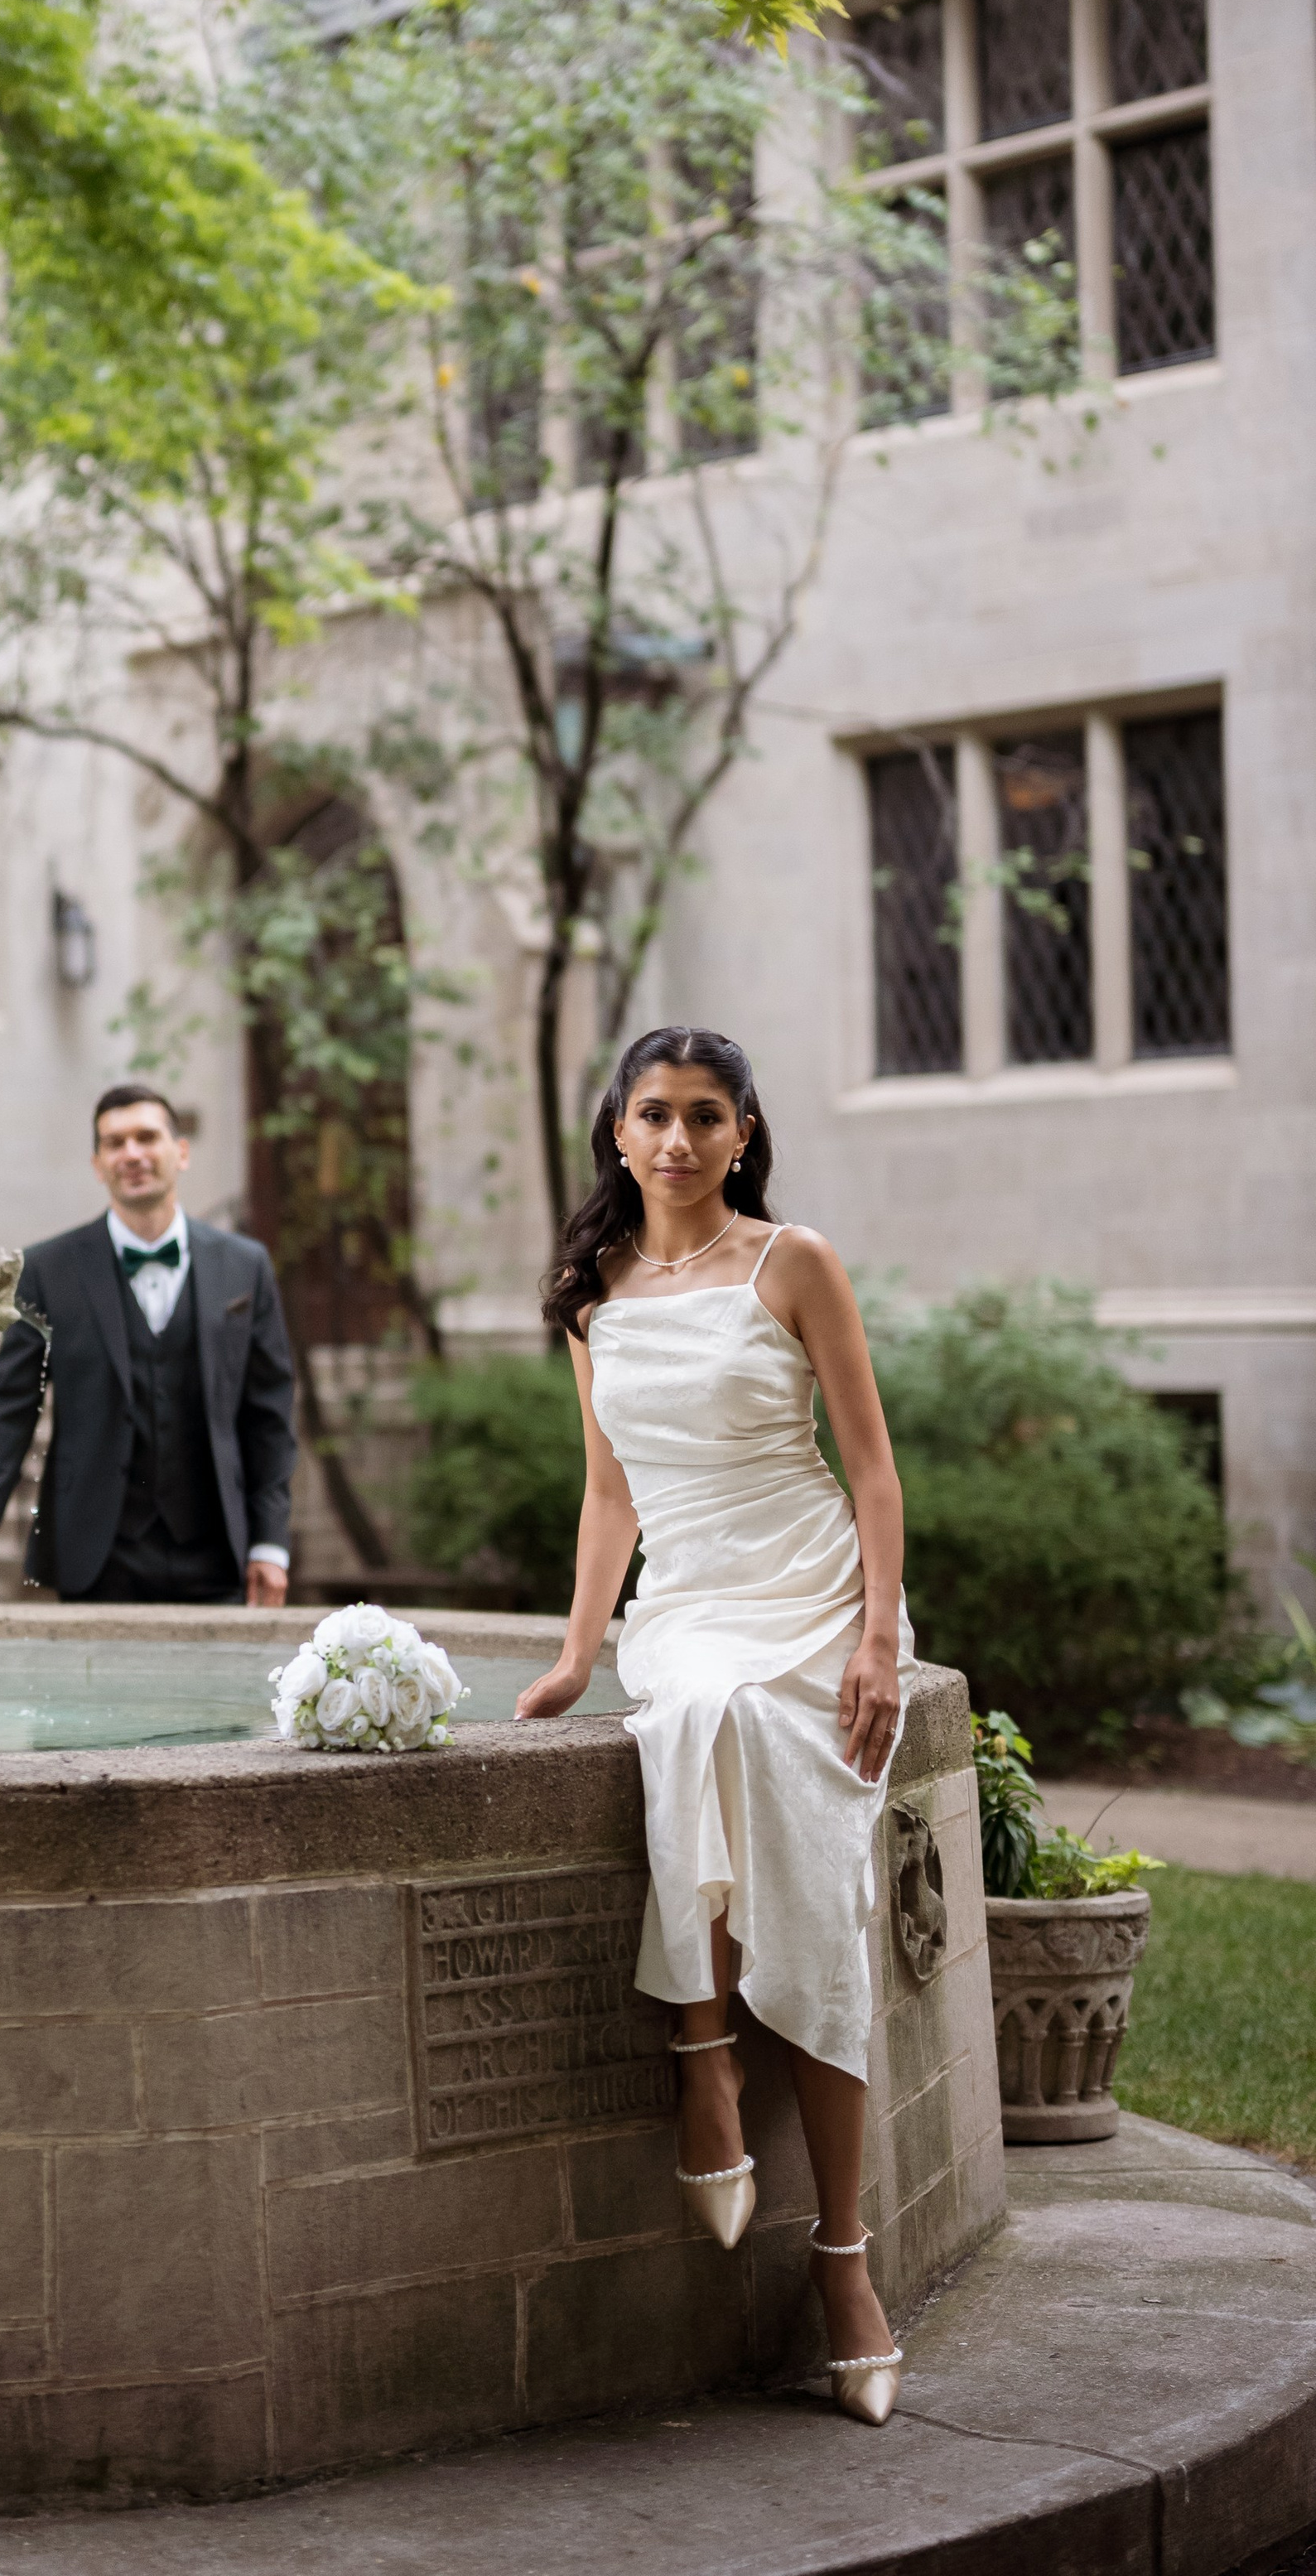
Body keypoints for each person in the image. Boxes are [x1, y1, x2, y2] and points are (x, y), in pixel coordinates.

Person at [518, 1025, 916, 2427]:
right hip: (688, 1602)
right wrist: (578, 1654)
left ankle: (845, 2256)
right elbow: (610, 1493)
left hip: (808, 1590)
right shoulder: (594, 1299)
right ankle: (705, 2061)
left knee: (778, 1793)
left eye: (703, 1115)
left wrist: (878, 1635)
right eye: (654, 1114)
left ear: (743, 1132)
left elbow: (871, 1469)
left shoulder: (793, 1262)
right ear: (618, 1133)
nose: (677, 1140)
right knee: (693, 1705)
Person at [0, 1083, 296, 1609]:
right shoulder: (46, 1270)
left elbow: (269, 1416)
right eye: (115, 1143)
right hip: (96, 1555)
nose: (131, 1154)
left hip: (217, 1552)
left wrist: (270, 1544)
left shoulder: (245, 1266)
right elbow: (9, 1412)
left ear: (181, 1152)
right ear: (98, 1165)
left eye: (147, 1137)